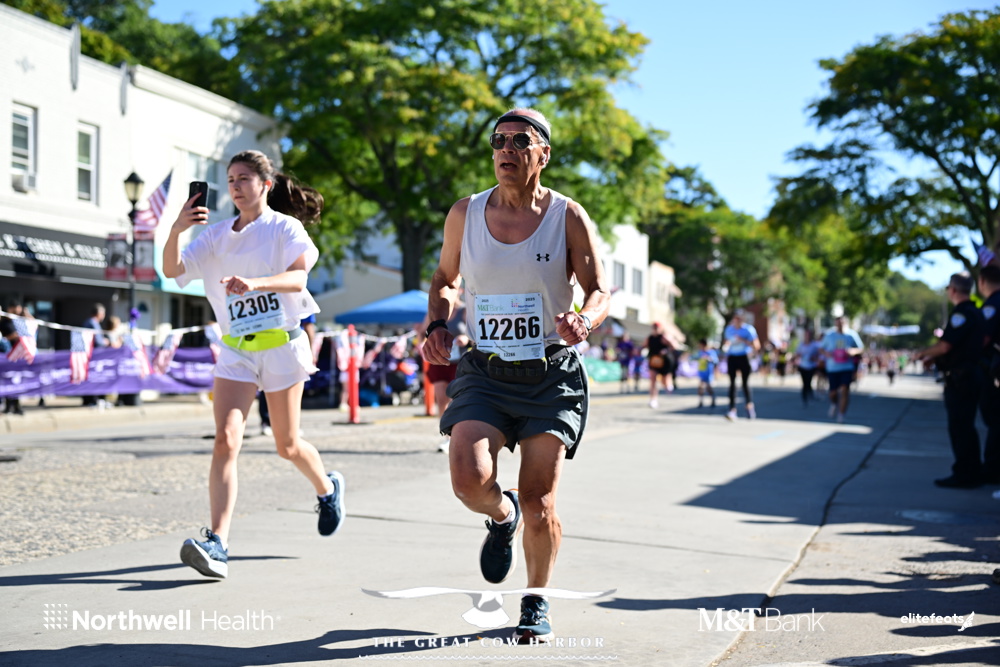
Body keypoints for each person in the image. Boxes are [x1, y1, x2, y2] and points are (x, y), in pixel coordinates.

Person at [423, 108, 610, 644]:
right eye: (499, 140)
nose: (506, 149)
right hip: (485, 368)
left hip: (550, 374)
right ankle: (501, 517)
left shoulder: (567, 216)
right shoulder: (465, 213)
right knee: (467, 479)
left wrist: (584, 320)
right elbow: (445, 277)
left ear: (542, 155)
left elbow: (599, 289)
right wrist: (438, 323)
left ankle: (536, 599)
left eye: (520, 141)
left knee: (540, 500)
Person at [163, 149, 345, 579]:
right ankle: (218, 544)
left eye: (244, 178)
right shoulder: (215, 236)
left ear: (265, 184)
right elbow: (173, 270)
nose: (235, 187)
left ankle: (327, 488)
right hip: (237, 350)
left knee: (287, 445)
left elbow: (299, 278)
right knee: (226, 440)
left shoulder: (284, 228)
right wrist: (176, 229)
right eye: (230, 180)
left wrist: (256, 284)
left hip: (281, 345)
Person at [915, 272, 985, 488]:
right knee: (966, 427)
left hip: (960, 379)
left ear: (952, 290)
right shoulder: (977, 312)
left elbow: (945, 346)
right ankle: (971, 471)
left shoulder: (962, 314)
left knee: (960, 427)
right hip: (971, 375)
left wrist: (923, 353)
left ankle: (964, 474)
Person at [420, 304, 470, 453]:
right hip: (439, 361)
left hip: (459, 362)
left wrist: (466, 338)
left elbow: (476, 332)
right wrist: (422, 338)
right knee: (442, 399)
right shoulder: (434, 310)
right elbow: (422, 332)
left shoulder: (464, 310)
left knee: (458, 399)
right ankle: (447, 437)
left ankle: (461, 435)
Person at [977, 264, 1000, 484]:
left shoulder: (993, 304)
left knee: (995, 420)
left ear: (982, 282)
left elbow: (982, 339)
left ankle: (993, 470)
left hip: (994, 372)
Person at [821, 315, 864, 423]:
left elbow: (860, 348)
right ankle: (834, 403)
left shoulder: (852, 334)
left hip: (847, 367)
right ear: (835, 324)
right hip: (832, 368)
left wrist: (853, 351)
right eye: (838, 323)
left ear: (846, 323)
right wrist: (827, 354)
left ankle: (841, 414)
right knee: (833, 393)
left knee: (845, 390)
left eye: (842, 323)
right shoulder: (829, 335)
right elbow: (821, 349)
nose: (840, 325)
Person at [723, 310, 760, 420]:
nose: (737, 320)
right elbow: (727, 342)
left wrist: (743, 340)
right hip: (732, 357)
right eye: (735, 318)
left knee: (745, 383)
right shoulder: (729, 329)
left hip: (744, 357)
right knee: (732, 384)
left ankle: (749, 405)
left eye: (739, 318)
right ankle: (732, 410)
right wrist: (726, 344)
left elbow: (756, 345)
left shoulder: (748, 329)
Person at [81, 304, 109, 408]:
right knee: (94, 378)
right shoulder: (92, 323)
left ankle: (89, 399)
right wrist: (106, 342)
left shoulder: (89, 322)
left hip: (89, 356)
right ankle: (92, 399)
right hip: (94, 356)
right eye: (103, 313)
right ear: (99, 313)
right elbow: (98, 341)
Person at [645, 322, 675, 408]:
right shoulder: (649, 338)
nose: (655, 329)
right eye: (654, 327)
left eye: (656, 328)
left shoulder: (664, 337)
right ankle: (653, 400)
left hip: (664, 362)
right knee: (653, 380)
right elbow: (644, 345)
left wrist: (666, 351)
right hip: (654, 361)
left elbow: (674, 346)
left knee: (664, 381)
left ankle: (668, 386)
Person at [794, 330, 821, 406]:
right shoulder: (801, 344)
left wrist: (814, 358)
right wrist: (798, 356)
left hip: (811, 366)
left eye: (809, 335)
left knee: (808, 382)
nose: (807, 336)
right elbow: (797, 353)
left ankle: (810, 395)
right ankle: (804, 398)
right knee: (804, 383)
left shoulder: (814, 345)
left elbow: (819, 354)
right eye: (806, 335)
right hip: (802, 366)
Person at [691, 338, 719, 408]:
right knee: (700, 387)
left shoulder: (711, 352)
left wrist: (709, 359)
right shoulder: (700, 352)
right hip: (701, 373)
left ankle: (713, 399)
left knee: (709, 388)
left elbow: (716, 360)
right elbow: (693, 357)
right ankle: (701, 401)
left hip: (709, 373)